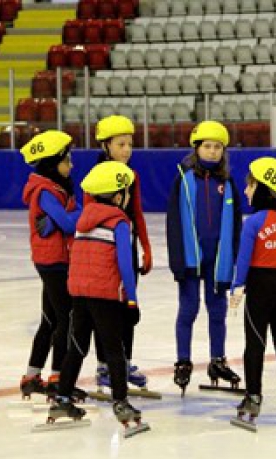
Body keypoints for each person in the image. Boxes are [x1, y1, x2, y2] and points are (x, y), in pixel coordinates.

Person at [49, 161, 147, 432]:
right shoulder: (120, 222)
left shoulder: (83, 219)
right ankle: (121, 402)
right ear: (118, 196)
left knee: (77, 347)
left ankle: (63, 398)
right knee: (114, 350)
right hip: (105, 296)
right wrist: (131, 299)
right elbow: (126, 265)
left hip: (79, 293)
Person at [166, 120, 243, 395]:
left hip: (218, 259)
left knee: (217, 310)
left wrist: (232, 256)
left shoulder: (228, 182)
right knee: (188, 309)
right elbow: (174, 223)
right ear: (196, 148)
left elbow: (235, 224)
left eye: (217, 147)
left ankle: (217, 360)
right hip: (190, 257)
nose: (212, 152)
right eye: (207, 146)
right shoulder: (184, 178)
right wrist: (177, 260)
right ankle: (183, 361)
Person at [229, 157, 276, 426]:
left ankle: (253, 397)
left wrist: (237, 286)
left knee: (255, 343)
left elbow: (244, 258)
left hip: (260, 287)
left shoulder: (254, 221)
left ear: (261, 188)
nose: (247, 191)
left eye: (250, 186)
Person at [91, 115, 153, 393]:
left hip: (127, 248)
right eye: (121, 144)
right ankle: (104, 365)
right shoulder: (95, 177)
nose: (127, 150)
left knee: (128, 305)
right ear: (106, 146)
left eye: (130, 144)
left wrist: (147, 248)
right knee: (106, 310)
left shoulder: (133, 176)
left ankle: (124, 362)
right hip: (103, 250)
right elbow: (88, 215)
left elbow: (136, 213)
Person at [18, 130, 82, 399]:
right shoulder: (45, 191)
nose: (72, 165)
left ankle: (32, 376)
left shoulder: (56, 188)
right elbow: (70, 223)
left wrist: (64, 217)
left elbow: (67, 218)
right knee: (65, 318)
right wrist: (74, 214)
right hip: (53, 261)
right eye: (67, 160)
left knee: (50, 319)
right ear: (52, 163)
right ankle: (58, 378)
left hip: (54, 257)